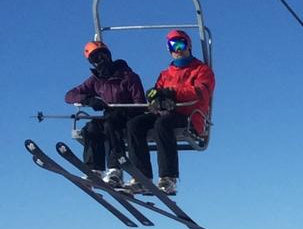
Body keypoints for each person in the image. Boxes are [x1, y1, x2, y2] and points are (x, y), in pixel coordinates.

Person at [124, 29, 215, 193]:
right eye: (173, 45)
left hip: (189, 116)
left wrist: (172, 93)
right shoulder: (165, 74)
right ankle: (141, 176)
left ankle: (168, 177)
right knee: (134, 124)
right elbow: (157, 91)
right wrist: (156, 98)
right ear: (169, 49)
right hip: (165, 112)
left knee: (162, 124)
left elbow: (201, 92)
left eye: (181, 44)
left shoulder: (201, 70)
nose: (178, 49)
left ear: (189, 46)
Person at [64, 41, 145, 177]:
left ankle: (115, 167)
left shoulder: (128, 77)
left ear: (109, 56)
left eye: (103, 56)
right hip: (109, 114)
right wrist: (88, 99)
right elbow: (69, 95)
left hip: (129, 114)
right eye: (96, 59)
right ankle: (94, 169)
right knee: (92, 127)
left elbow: (140, 103)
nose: (100, 61)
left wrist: (126, 110)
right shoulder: (96, 80)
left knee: (111, 124)